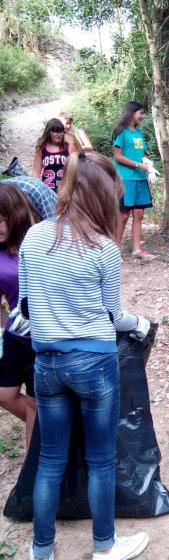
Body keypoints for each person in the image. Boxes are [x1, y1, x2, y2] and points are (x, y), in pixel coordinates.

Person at [18, 151, 150, 560]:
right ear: (102, 195)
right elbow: (115, 317)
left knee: (51, 459)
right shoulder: (103, 249)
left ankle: (42, 550)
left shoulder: (34, 237)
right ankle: (104, 546)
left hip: (47, 364)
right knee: (100, 459)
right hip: (94, 362)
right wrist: (140, 324)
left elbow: (24, 307)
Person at [0, 182, 40, 451]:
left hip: (42, 338)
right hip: (14, 335)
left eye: (0, 220)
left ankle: (32, 469)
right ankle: (53, 427)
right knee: (4, 395)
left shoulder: (38, 242)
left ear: (14, 214)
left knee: (39, 404)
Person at [113, 101, 158, 260]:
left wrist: (147, 163)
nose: (143, 116)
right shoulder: (121, 132)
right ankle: (115, 251)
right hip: (126, 179)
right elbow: (118, 156)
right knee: (123, 215)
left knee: (139, 214)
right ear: (132, 113)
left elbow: (140, 154)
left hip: (140, 178)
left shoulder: (138, 133)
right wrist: (139, 164)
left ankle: (137, 249)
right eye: (141, 113)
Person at [32, 119, 73, 193]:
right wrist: (36, 190)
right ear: (48, 132)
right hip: (47, 191)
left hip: (65, 190)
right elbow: (35, 173)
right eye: (55, 132)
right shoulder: (41, 148)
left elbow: (75, 169)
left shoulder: (69, 147)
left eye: (61, 131)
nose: (59, 134)